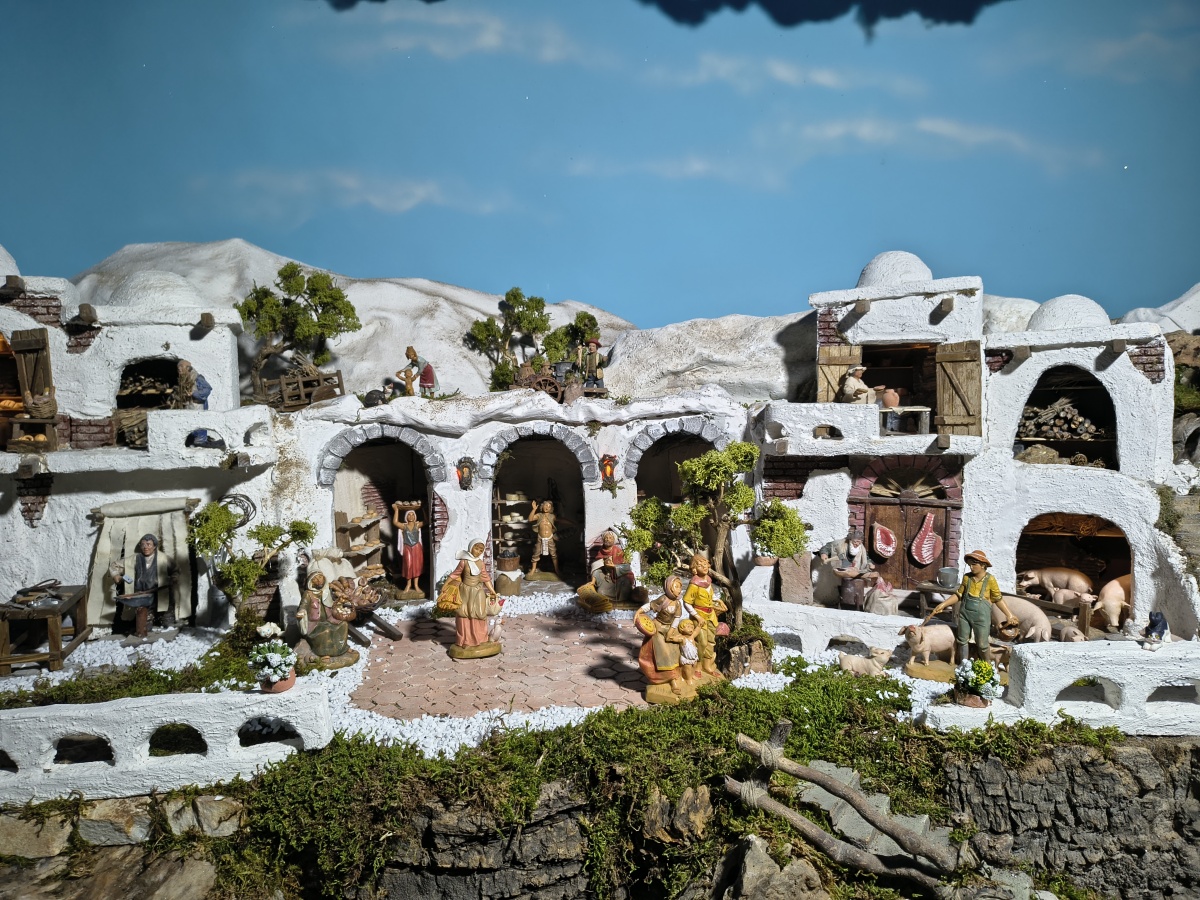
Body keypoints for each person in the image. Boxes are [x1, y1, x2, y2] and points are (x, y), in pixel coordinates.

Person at [928, 550, 1019, 663]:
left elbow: (998, 599)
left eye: (974, 564)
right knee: (962, 640)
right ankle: (964, 664)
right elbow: (959, 595)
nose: (971, 567)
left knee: (982, 643)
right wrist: (944, 604)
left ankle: (986, 666)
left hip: (981, 617)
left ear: (983, 565)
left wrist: (1009, 615)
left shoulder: (990, 580)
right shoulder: (967, 578)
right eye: (970, 564)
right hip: (964, 614)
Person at [445, 540, 502, 656]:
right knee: (464, 614)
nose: (478, 552)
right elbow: (455, 574)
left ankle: (481, 639)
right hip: (465, 592)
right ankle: (465, 640)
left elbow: (486, 578)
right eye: (476, 548)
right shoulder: (464, 562)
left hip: (478, 592)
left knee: (480, 614)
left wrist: (492, 591)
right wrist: (445, 585)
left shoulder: (481, 563)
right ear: (471, 548)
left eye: (481, 550)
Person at [635, 575, 688, 695]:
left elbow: (677, 618)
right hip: (658, 628)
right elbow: (651, 605)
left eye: (680, 587)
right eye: (676, 586)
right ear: (669, 588)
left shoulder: (677, 603)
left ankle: (677, 676)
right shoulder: (663, 599)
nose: (679, 589)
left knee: (676, 652)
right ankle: (669, 680)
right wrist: (639, 611)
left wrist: (671, 631)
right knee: (664, 654)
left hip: (670, 629)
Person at [114, 533, 176, 628]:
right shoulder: (134, 559)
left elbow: (176, 569)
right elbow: (115, 565)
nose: (145, 547)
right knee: (145, 625)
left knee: (168, 621)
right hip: (143, 595)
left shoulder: (163, 558)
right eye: (143, 545)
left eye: (148, 544)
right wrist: (116, 575)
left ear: (154, 546)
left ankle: (167, 620)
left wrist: (174, 578)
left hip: (160, 592)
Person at [681, 553, 726, 679]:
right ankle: (698, 666)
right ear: (695, 569)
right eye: (700, 566)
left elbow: (711, 594)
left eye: (705, 564)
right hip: (699, 616)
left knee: (711, 641)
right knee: (702, 642)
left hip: (710, 615)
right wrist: (697, 616)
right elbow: (686, 602)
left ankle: (707, 665)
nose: (705, 567)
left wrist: (718, 600)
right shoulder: (694, 584)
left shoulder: (708, 581)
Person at [818, 529, 874, 610]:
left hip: (856, 569)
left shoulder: (862, 548)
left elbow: (866, 557)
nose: (856, 544)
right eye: (854, 542)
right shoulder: (840, 544)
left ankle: (856, 601)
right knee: (841, 582)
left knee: (859, 579)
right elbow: (827, 547)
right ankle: (841, 599)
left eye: (859, 542)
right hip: (842, 568)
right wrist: (824, 554)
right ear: (850, 540)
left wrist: (870, 563)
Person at [585, 530, 635, 606]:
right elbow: (596, 568)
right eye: (606, 538)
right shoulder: (600, 552)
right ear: (603, 540)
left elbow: (627, 567)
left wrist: (614, 566)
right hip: (607, 578)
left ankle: (622, 600)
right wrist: (592, 581)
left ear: (614, 540)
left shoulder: (619, 551)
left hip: (618, 578)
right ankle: (606, 600)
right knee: (600, 592)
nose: (608, 539)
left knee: (625, 585)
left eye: (610, 538)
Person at [177, 360, 213, 447]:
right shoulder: (183, 379)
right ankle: (191, 440)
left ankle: (200, 442)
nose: (179, 369)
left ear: (188, 368)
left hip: (197, 406)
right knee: (189, 423)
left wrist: (194, 393)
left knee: (199, 423)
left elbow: (207, 389)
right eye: (178, 367)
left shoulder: (197, 378)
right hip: (188, 406)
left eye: (181, 366)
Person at [391, 504, 425, 595]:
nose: (411, 516)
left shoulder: (417, 525)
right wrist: (396, 510)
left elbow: (426, 521)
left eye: (412, 514)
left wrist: (423, 509)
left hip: (417, 548)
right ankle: (408, 584)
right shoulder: (404, 526)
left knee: (417, 567)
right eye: (409, 515)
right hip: (407, 548)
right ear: (406, 517)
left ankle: (416, 585)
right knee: (408, 566)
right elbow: (395, 522)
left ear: (415, 516)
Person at [528, 500, 561, 576]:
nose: (547, 507)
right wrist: (534, 509)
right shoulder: (539, 515)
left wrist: (572, 523)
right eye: (546, 505)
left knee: (554, 554)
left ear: (551, 508)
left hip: (550, 538)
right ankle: (533, 569)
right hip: (540, 538)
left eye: (549, 506)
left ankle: (557, 569)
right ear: (542, 506)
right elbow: (530, 519)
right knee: (536, 553)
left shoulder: (552, 516)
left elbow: (560, 520)